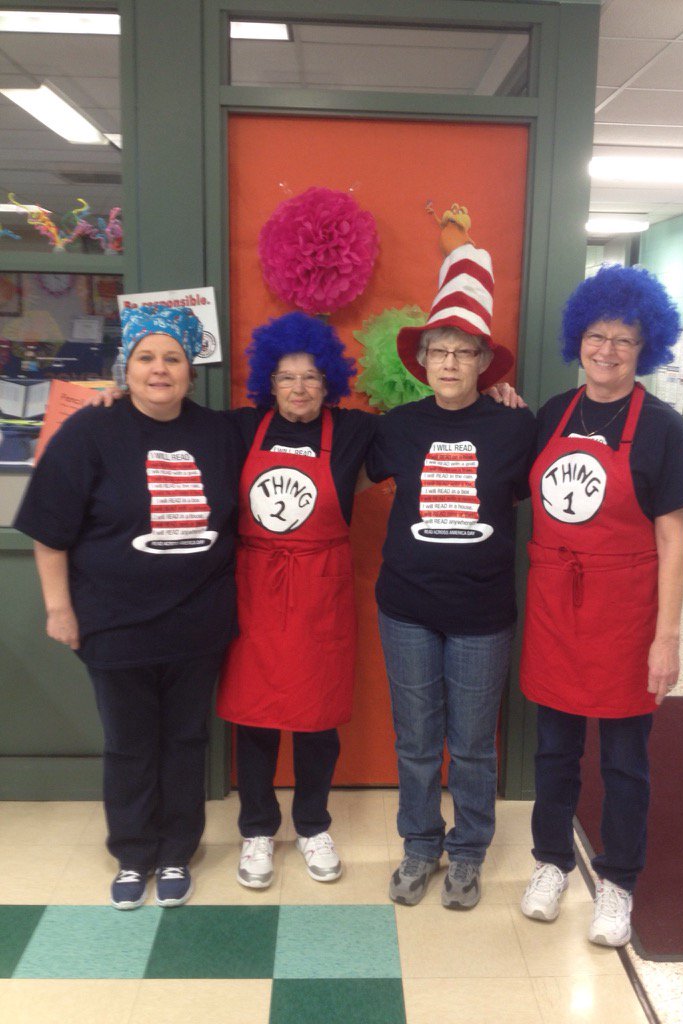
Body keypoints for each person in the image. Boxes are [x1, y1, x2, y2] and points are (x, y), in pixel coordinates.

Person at [14, 306, 243, 910]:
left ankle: (177, 851)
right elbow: (49, 531)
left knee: (186, 740)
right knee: (130, 743)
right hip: (114, 624)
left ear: (191, 371)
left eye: (172, 358)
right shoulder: (89, 431)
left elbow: (292, 431)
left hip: (197, 623)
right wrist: (59, 609)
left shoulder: (221, 433)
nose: (159, 369)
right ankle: (134, 853)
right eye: (146, 358)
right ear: (126, 368)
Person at [518, 265, 683, 946]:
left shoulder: (663, 428)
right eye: (597, 336)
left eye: (624, 340)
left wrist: (667, 637)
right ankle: (550, 863)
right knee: (553, 751)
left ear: (645, 347)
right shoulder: (551, 414)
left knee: (625, 760)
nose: (607, 350)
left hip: (626, 615)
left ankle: (618, 882)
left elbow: (673, 540)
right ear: (579, 339)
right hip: (555, 608)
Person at [366, 243, 537, 910]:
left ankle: (467, 853)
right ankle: (419, 844)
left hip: (482, 613)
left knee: (470, 745)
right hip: (406, 607)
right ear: (422, 359)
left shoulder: (516, 426)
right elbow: (341, 461)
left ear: (484, 362)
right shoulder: (398, 427)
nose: (450, 362)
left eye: (465, 351)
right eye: (439, 350)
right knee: (415, 740)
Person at [216, 312, 377, 890]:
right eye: (286, 376)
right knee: (254, 718)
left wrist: (495, 394)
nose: (299, 387)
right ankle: (258, 829)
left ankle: (312, 825)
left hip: (320, 594)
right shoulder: (240, 428)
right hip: (255, 590)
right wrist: (116, 394)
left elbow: (422, 427)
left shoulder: (354, 431)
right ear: (270, 382)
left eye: (311, 376)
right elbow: (169, 424)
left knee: (316, 719)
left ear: (329, 380)